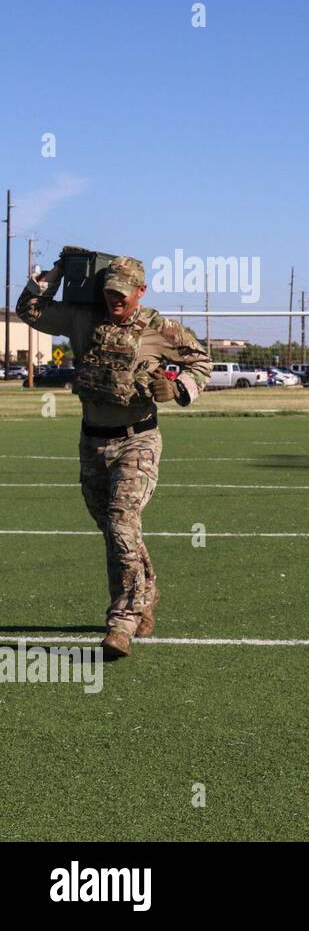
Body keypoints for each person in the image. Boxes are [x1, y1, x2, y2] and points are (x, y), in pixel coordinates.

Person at [18, 254, 212, 658]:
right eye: (109, 291)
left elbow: (200, 362)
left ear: (141, 291)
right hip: (92, 442)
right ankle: (147, 591)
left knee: (122, 523)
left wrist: (177, 390)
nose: (115, 300)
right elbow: (29, 310)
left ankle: (121, 623)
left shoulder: (161, 328)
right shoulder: (82, 318)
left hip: (137, 439)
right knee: (112, 528)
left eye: (123, 293)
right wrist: (53, 275)